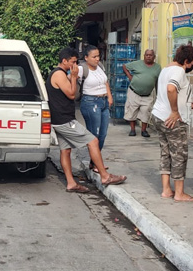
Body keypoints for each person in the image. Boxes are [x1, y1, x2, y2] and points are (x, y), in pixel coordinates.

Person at [48, 47, 126, 193]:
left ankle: (71, 183)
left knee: (65, 150)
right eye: (73, 62)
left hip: (61, 118)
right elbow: (71, 94)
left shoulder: (61, 73)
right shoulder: (59, 74)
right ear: (64, 61)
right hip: (64, 120)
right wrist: (73, 77)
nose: (75, 65)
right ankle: (105, 176)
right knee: (93, 141)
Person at [150, 45, 193, 203]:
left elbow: (173, 92)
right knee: (179, 155)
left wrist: (187, 105)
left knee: (165, 153)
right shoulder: (179, 71)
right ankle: (179, 193)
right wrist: (174, 111)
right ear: (186, 61)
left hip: (159, 116)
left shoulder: (166, 69)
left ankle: (166, 189)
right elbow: (171, 89)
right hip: (172, 120)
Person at [78, 45, 113, 173]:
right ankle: (96, 164)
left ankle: (94, 162)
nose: (97, 59)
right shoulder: (81, 69)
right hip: (90, 103)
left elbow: (105, 82)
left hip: (103, 102)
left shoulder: (100, 67)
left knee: (103, 134)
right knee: (94, 135)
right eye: (94, 57)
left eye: (98, 56)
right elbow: (71, 79)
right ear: (86, 58)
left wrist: (109, 96)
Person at [123, 49, 162, 137]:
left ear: (154, 57)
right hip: (134, 92)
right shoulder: (137, 64)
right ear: (144, 56)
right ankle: (132, 130)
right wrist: (130, 77)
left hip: (147, 94)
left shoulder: (157, 67)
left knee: (146, 111)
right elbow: (124, 66)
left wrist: (158, 93)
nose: (148, 56)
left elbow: (157, 80)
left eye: (150, 55)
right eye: (146, 55)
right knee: (132, 111)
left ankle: (144, 130)